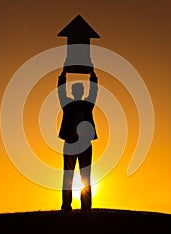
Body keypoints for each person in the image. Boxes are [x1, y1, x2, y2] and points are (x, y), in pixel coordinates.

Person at [57, 67, 98, 213]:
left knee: (85, 176)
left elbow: (93, 92)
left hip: (85, 144)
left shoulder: (87, 105)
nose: (79, 92)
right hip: (70, 143)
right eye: (77, 90)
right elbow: (61, 91)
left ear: (81, 91)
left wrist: (93, 76)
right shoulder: (67, 105)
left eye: (80, 89)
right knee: (68, 175)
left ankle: (86, 207)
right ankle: (66, 206)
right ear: (74, 92)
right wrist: (63, 74)